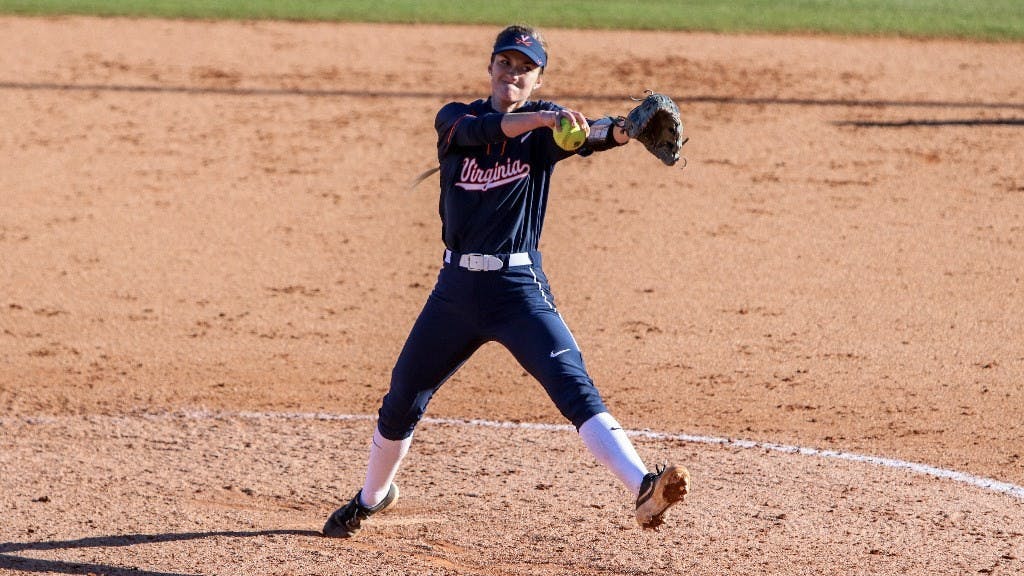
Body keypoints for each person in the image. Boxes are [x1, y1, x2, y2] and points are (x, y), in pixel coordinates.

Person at [323, 24, 690, 538]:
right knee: (403, 396)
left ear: (537, 78)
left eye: (525, 68)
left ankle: (643, 487)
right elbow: (484, 133)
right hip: (454, 293)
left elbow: (591, 135)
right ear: (490, 68)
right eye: (506, 63)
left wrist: (624, 130)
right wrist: (545, 118)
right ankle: (371, 497)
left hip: (519, 291)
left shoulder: (547, 134)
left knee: (572, 386)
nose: (513, 73)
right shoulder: (456, 119)